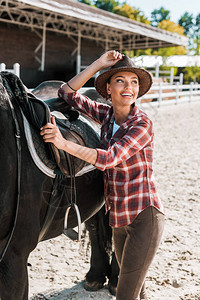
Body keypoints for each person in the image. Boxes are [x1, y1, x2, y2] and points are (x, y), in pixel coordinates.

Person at [40, 50, 165, 300]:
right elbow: (66, 93)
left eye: (134, 82)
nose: (128, 87)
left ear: (138, 89)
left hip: (144, 217)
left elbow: (109, 159)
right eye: (120, 80)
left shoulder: (141, 124)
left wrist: (63, 144)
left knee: (125, 294)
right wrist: (98, 64)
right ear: (108, 88)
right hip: (118, 219)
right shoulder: (106, 116)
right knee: (137, 290)